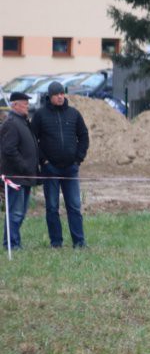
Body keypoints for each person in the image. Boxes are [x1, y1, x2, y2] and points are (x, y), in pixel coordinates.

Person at [31, 81, 89, 248]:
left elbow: (84, 136)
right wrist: (44, 161)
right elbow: (33, 140)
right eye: (57, 94)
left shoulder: (74, 114)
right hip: (50, 169)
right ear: (50, 96)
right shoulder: (40, 115)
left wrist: (78, 159)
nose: (60, 97)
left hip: (71, 168)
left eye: (62, 93)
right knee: (52, 207)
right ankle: (56, 242)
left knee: (74, 206)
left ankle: (79, 242)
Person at [1, 92, 39, 250]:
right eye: (24, 103)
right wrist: (23, 166)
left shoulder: (23, 122)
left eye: (27, 103)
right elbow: (9, 150)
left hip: (26, 176)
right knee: (15, 212)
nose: (27, 105)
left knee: (21, 212)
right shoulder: (11, 123)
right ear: (15, 105)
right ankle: (11, 243)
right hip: (16, 176)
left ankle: (14, 241)